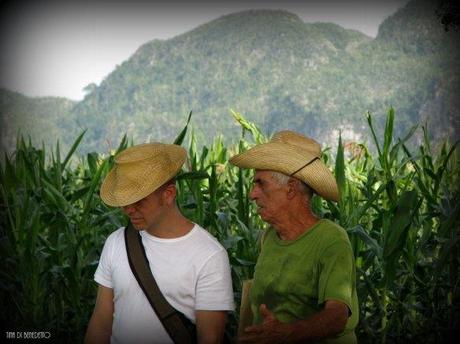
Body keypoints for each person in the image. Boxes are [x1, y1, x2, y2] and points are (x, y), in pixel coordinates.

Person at [85, 142, 234, 344]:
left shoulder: (209, 256)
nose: (129, 210)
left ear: (169, 195)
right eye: (125, 201)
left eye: (139, 201)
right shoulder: (116, 242)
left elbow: (210, 339)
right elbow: (101, 322)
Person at [229, 130, 358, 343]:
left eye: (261, 183)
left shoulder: (331, 240)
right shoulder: (268, 238)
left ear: (290, 188)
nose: (252, 194)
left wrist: (288, 333)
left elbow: (337, 316)